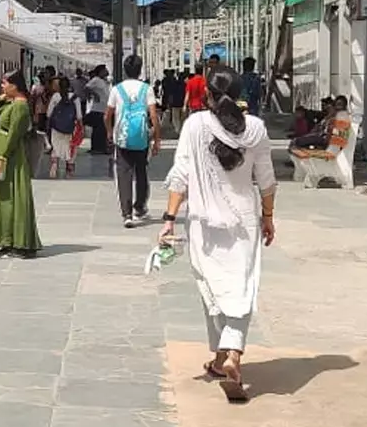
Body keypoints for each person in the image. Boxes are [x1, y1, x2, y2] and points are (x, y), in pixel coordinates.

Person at [161, 65, 277, 403]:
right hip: (244, 223)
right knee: (241, 289)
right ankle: (232, 354)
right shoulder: (256, 128)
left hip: (202, 223)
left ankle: (221, 355)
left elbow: (179, 176)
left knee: (212, 289)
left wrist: (169, 218)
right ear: (241, 93)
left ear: (207, 94)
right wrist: (268, 217)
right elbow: (266, 182)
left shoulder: (194, 125)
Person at [0, 69, 42, 258]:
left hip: (11, 157)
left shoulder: (20, 107)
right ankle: (7, 239)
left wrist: (1, 160)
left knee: (13, 197)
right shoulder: (13, 103)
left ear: (15, 85)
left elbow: (14, 136)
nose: (2, 87)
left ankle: (19, 243)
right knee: (4, 197)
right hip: (5, 154)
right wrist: (3, 96)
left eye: (5, 83)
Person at [104, 55, 161, 228]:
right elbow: (153, 115)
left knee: (124, 174)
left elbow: (108, 115)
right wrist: (157, 139)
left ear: (124, 69)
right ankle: (140, 207)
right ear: (140, 69)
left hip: (122, 138)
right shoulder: (147, 89)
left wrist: (109, 132)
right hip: (141, 138)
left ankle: (127, 214)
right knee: (141, 172)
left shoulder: (117, 89)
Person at [47, 75, 83, 178]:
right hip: (70, 127)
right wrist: (81, 127)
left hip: (56, 127)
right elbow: (79, 115)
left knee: (56, 147)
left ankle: (54, 165)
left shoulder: (55, 96)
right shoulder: (75, 98)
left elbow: (49, 114)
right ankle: (69, 169)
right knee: (70, 147)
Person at [85, 64, 111, 155]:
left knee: (102, 130)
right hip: (97, 109)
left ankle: (100, 148)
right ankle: (97, 148)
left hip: (104, 109)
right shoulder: (96, 80)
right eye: (105, 70)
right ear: (100, 71)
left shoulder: (104, 81)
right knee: (99, 130)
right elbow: (87, 87)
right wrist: (94, 94)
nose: (107, 71)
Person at [161, 68, 185, 134]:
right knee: (178, 116)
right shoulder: (178, 82)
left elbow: (168, 92)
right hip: (179, 102)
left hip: (174, 101)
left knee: (175, 116)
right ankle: (178, 129)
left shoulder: (170, 81)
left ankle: (177, 129)